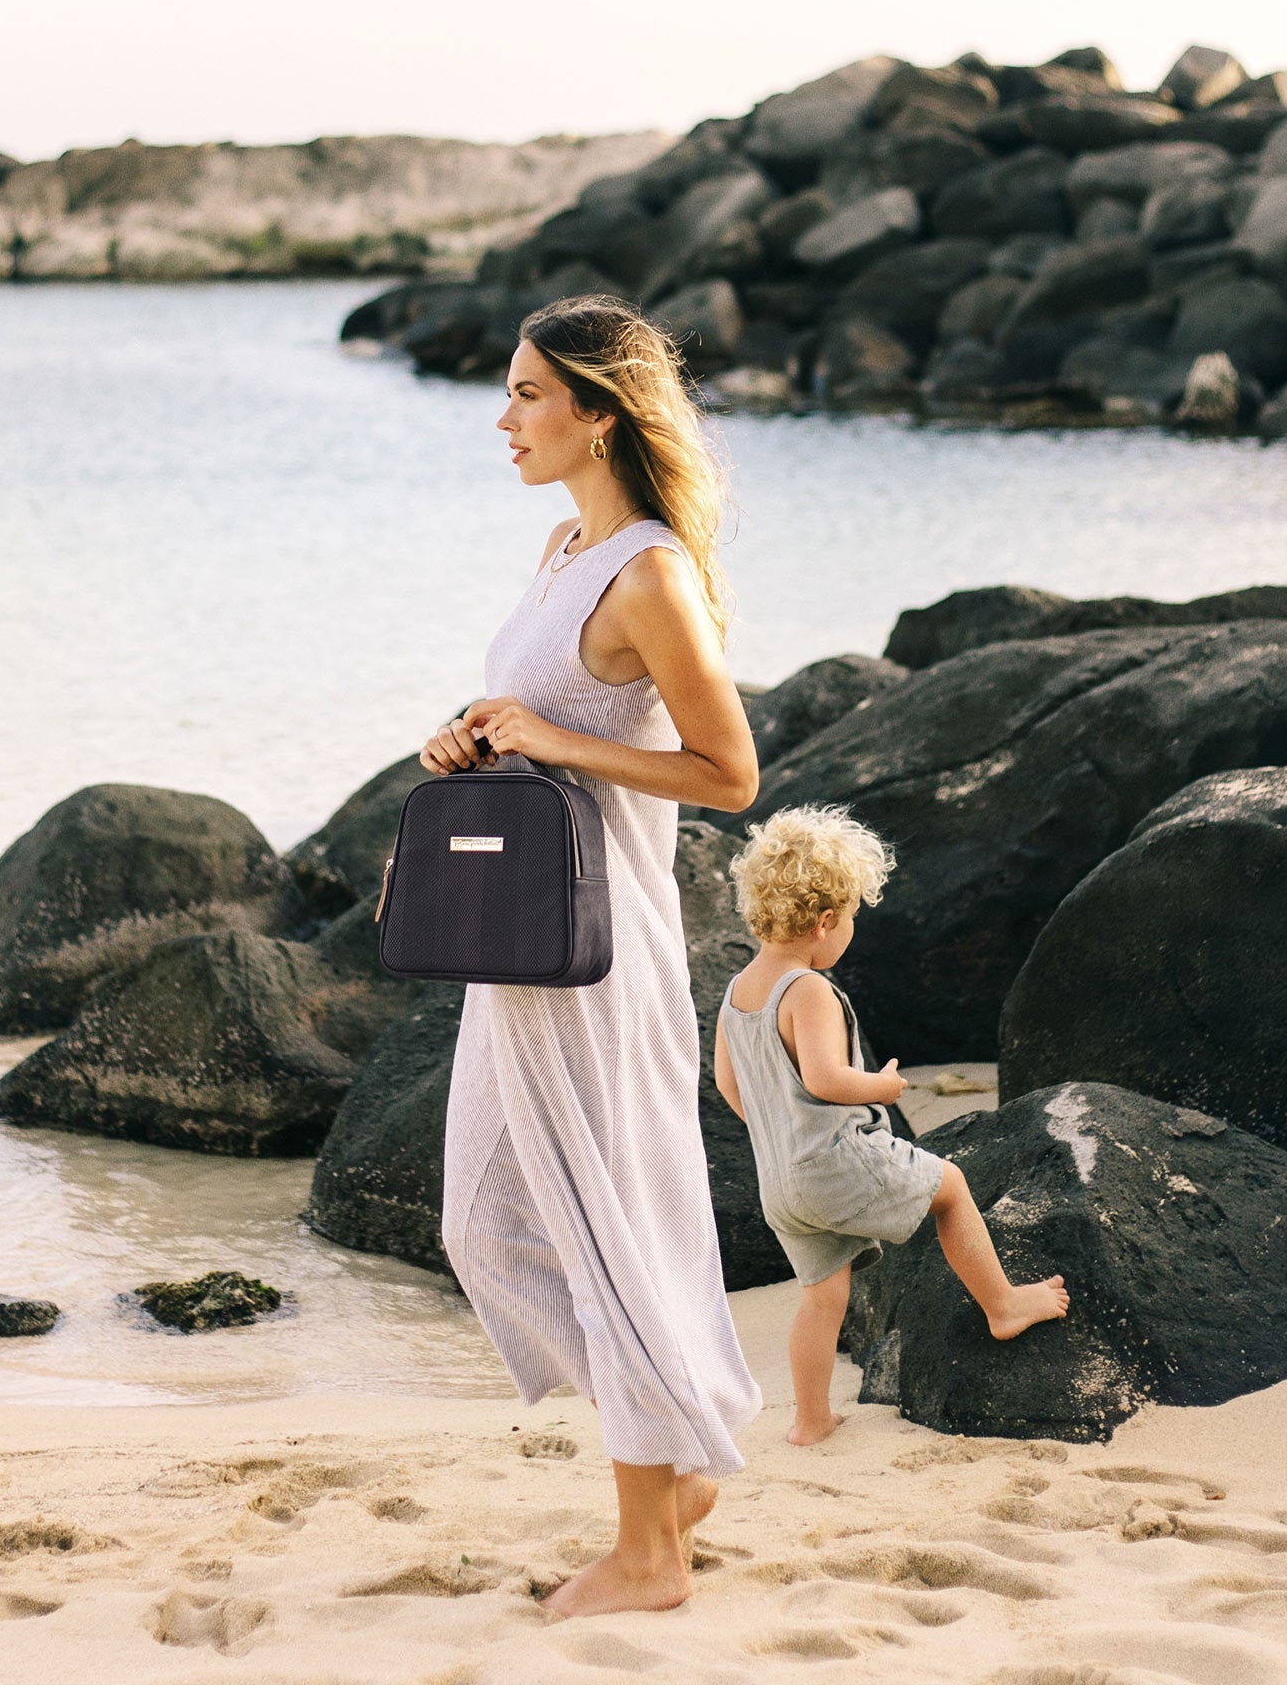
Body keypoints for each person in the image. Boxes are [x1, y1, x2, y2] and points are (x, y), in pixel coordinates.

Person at [420, 294, 762, 1619]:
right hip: (518, 945)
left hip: (597, 952)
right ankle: (675, 1456)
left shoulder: (650, 576)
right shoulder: (565, 547)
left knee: (606, 1236)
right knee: (482, 1227)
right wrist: (473, 735)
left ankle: (649, 1550)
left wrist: (555, 741)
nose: (502, 418)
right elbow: (543, 717)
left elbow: (727, 772)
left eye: (525, 394)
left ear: (599, 413)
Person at [713, 805, 1069, 1447]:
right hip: (834, 1161)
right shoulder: (808, 989)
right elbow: (826, 1078)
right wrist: (884, 1086)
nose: (851, 929)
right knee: (951, 1188)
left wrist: (780, 1130)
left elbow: (727, 1085)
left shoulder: (738, 991)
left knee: (822, 1298)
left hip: (781, 1184)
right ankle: (1003, 1305)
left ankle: (810, 1420)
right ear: (825, 921)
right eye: (852, 916)